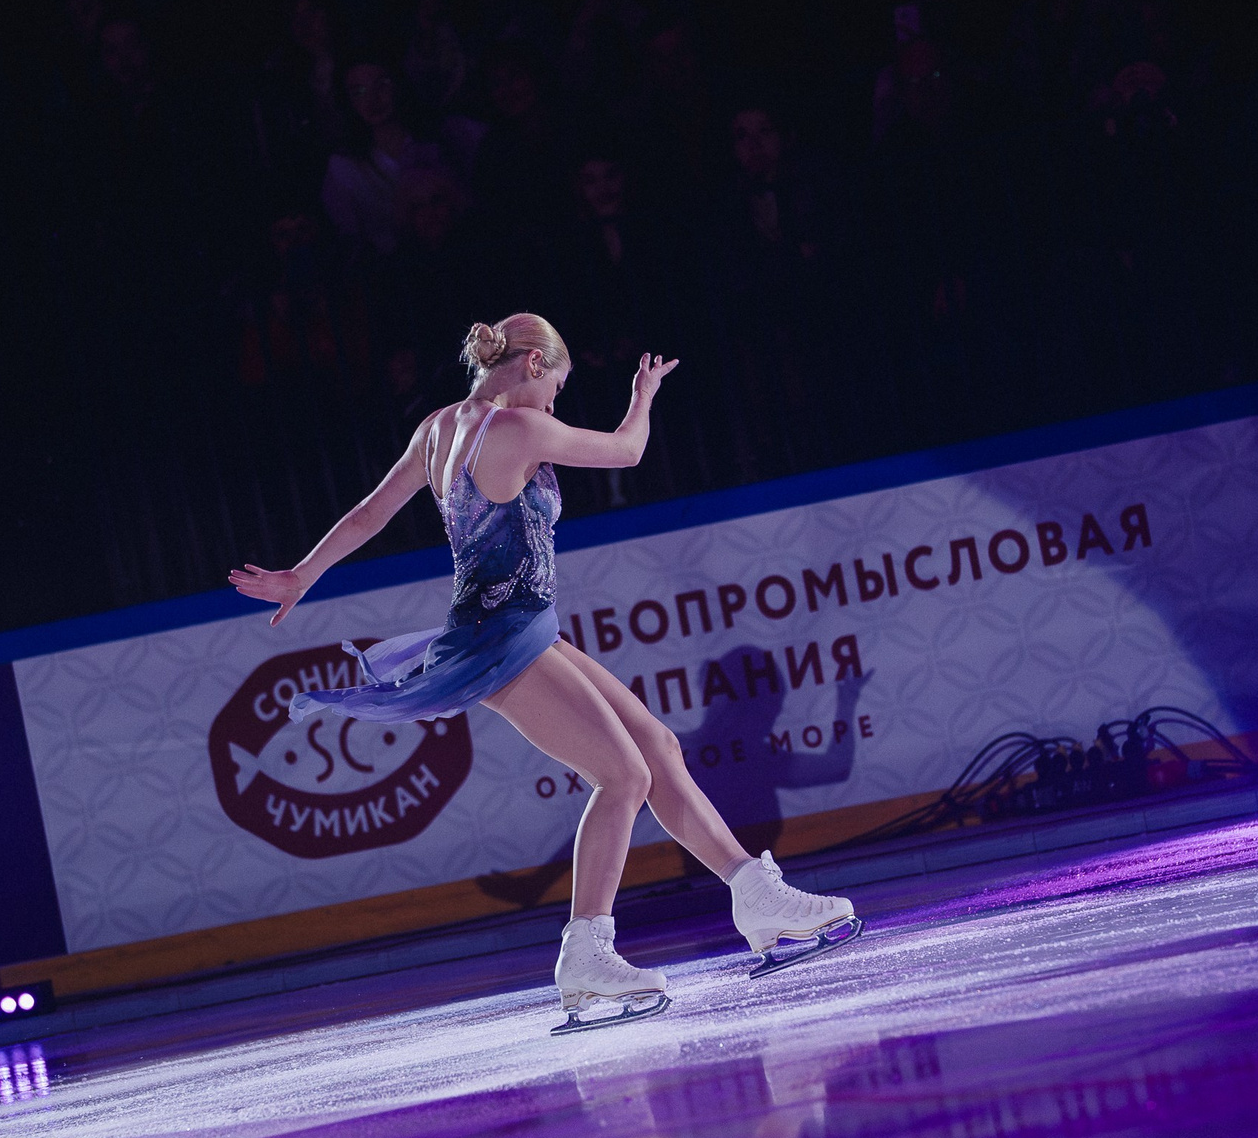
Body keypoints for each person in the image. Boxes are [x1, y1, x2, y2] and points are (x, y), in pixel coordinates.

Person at [228, 314, 860, 1033]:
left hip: (518, 625)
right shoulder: (520, 431)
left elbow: (371, 513)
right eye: (556, 390)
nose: (553, 407)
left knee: (657, 746)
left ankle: (757, 897)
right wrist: (643, 394)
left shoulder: (439, 427)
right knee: (623, 777)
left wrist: (302, 575)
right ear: (531, 364)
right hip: (501, 639)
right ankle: (585, 954)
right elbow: (627, 451)